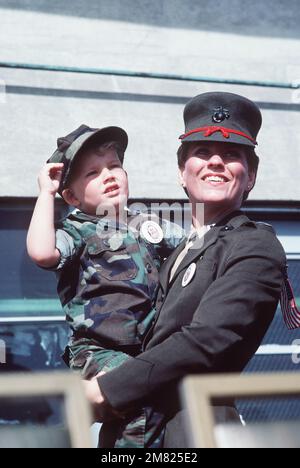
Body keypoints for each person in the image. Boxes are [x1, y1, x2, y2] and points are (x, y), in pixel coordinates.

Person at [83, 92, 289, 448]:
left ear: (251, 176)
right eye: (202, 153)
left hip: (194, 431)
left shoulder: (254, 245)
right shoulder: (177, 249)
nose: (215, 163)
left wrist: (108, 389)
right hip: (137, 430)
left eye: (231, 156)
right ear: (182, 172)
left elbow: (205, 340)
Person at [26, 124, 184, 448]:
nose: (109, 175)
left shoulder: (148, 223)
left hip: (147, 350)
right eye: (93, 174)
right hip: (98, 351)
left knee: (165, 407)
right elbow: (42, 253)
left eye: (114, 166)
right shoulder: (79, 229)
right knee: (142, 396)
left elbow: (195, 246)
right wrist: (46, 192)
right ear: (71, 196)